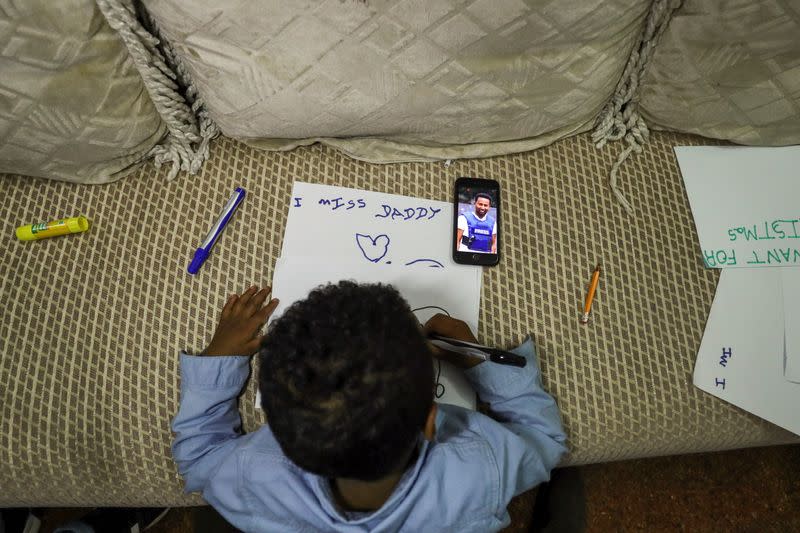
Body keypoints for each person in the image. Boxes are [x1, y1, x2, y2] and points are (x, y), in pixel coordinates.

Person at [172, 282, 567, 532]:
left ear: (281, 434)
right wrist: (482, 359)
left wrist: (217, 359)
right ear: (431, 421)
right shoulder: (482, 470)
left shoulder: (252, 477)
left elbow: (198, 456)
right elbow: (545, 439)